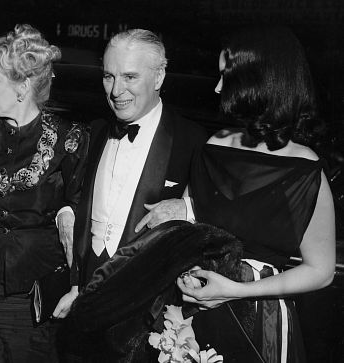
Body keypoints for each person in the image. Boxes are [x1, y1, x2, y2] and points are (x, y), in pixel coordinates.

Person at [177, 26, 336, 363]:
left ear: (257, 81)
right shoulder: (212, 147)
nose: (218, 87)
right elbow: (190, 227)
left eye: (226, 76)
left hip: (260, 322)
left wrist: (237, 291)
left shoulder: (304, 169)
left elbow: (321, 271)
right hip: (198, 310)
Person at [56, 28, 207, 360]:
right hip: (83, 314)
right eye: (108, 76)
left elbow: (219, 219)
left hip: (146, 324)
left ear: (159, 77)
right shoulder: (93, 132)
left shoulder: (193, 142)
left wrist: (187, 208)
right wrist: (66, 214)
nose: (116, 91)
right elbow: (70, 195)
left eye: (129, 77)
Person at [0, 24, 88, 362]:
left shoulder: (70, 141)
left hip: (37, 298)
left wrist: (77, 284)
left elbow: (79, 223)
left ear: (23, 87)